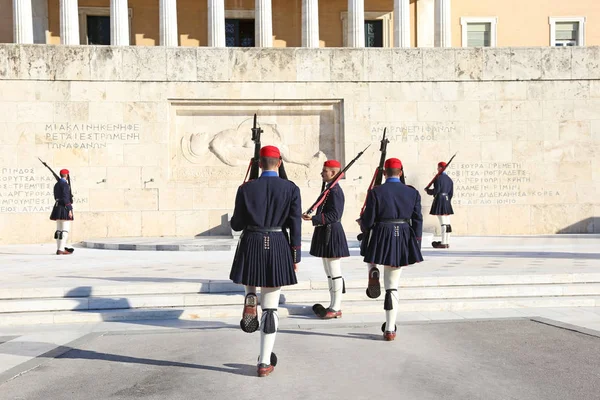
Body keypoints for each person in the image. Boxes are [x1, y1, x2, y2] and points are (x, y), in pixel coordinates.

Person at [229, 145, 302, 378]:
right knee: (271, 307)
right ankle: (264, 361)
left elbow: (237, 224)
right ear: (279, 163)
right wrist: (295, 254)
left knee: (251, 277)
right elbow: (295, 224)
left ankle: (250, 294)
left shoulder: (246, 188)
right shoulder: (291, 188)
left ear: (259, 164)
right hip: (278, 241)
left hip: (252, 241)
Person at [359, 158, 423, 341]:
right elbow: (417, 220)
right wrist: (416, 242)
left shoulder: (376, 192)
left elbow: (369, 220)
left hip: (381, 233)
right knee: (392, 286)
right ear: (401, 172)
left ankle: (372, 269)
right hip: (402, 233)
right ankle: (389, 329)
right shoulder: (412, 192)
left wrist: (362, 224)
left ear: (384, 173)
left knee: (371, 256)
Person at [302, 160, 350, 320]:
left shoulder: (335, 191)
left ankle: (336, 307)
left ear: (333, 173)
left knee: (335, 272)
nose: (322, 173)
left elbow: (335, 215)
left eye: (325, 171)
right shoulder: (329, 189)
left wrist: (314, 218)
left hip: (332, 232)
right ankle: (332, 305)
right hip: (325, 231)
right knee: (329, 273)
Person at [425, 161, 454, 249]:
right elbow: (451, 193)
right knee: (447, 223)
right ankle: (447, 242)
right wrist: (447, 201)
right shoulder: (449, 179)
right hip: (447, 200)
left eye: (438, 167)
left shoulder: (438, 178)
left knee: (443, 223)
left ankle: (443, 242)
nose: (437, 169)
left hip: (440, 200)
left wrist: (428, 191)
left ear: (441, 168)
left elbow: (436, 191)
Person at [49, 169, 74, 255]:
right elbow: (66, 198)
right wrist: (69, 209)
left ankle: (59, 249)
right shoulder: (65, 185)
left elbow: (56, 196)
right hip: (64, 207)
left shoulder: (56, 184)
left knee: (59, 230)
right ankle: (61, 249)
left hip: (57, 206)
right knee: (65, 229)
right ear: (67, 175)